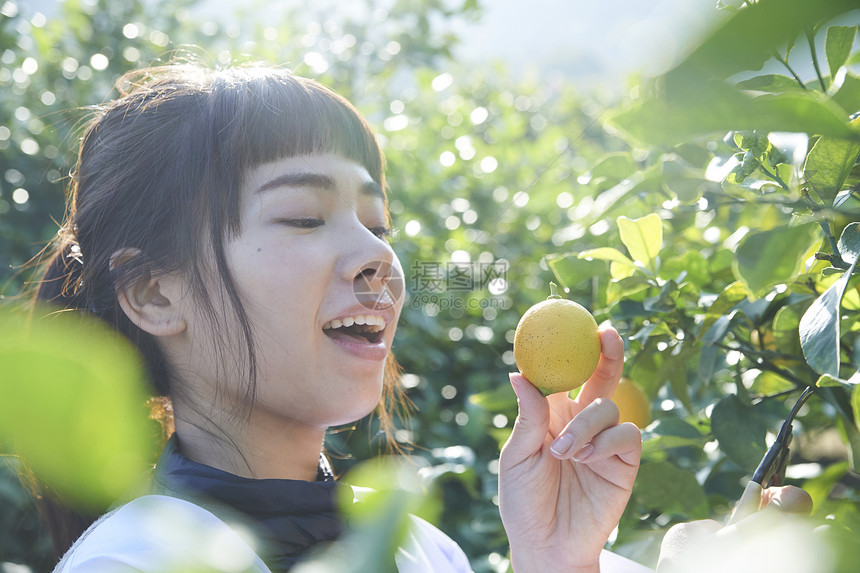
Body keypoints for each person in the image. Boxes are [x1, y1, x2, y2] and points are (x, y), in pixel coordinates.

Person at [30, 57, 648, 573]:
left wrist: (556, 558)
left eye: (377, 225)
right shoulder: (134, 562)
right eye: (304, 216)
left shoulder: (421, 553)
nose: (379, 255)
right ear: (155, 294)